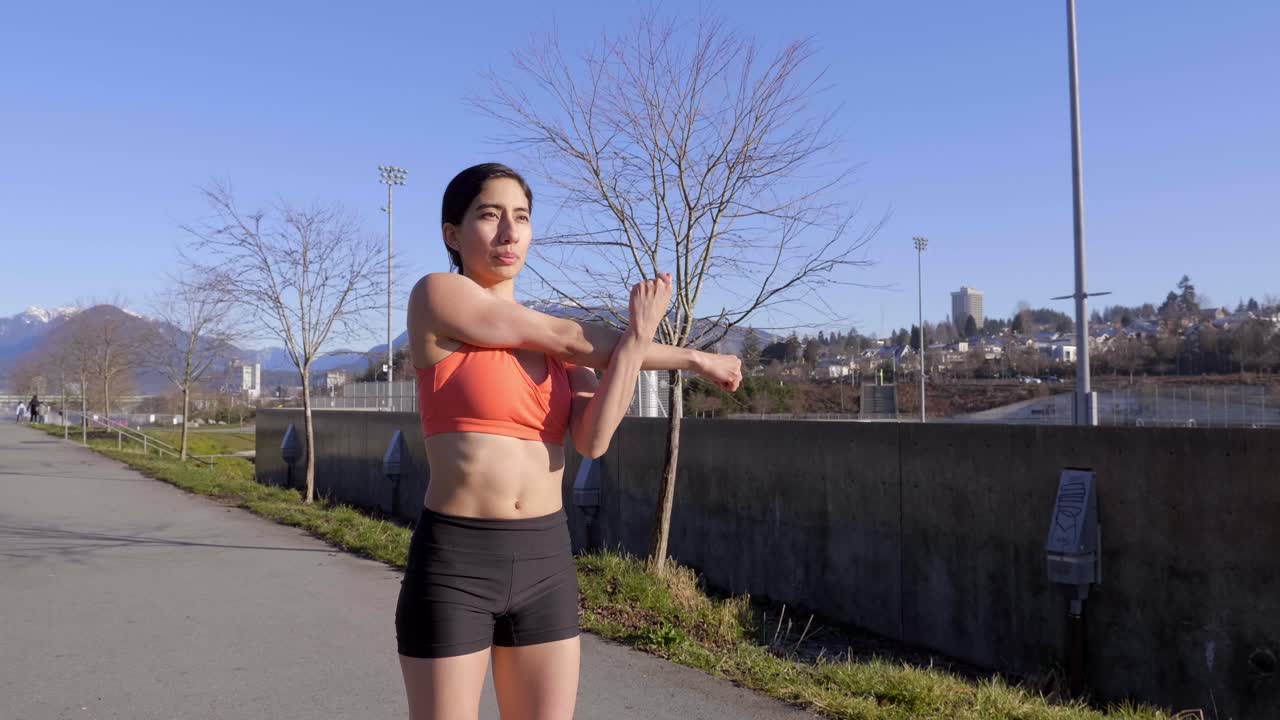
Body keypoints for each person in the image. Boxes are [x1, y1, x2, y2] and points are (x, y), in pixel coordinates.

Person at [397, 163, 742, 720]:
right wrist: (694, 358)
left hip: (545, 559)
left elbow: (594, 439)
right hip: (457, 559)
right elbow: (567, 337)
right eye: (489, 215)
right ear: (452, 235)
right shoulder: (437, 295)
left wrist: (637, 341)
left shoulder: (563, 350)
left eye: (521, 217)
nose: (509, 232)